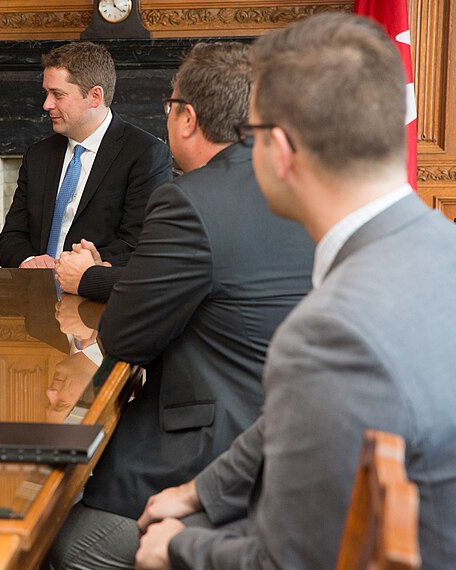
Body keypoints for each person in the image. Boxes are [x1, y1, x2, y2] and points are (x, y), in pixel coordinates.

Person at [135, 14, 456, 569]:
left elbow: (288, 563)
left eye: (251, 135)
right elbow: (293, 418)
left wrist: (177, 547)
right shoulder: (439, 243)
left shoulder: (331, 333)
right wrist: (200, 492)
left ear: (279, 151)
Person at [46, 42, 315, 569]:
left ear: (187, 117)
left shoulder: (188, 200)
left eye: (169, 108)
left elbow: (125, 338)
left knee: (63, 531)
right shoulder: (298, 189)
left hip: (212, 455)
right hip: (285, 445)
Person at [0, 41, 172, 269]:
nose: (46, 104)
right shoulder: (38, 155)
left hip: (100, 296)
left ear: (95, 97)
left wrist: (86, 268)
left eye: (57, 94)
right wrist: (29, 261)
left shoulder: (145, 154)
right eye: (46, 93)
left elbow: (139, 245)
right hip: (37, 293)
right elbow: (11, 237)